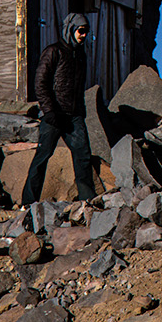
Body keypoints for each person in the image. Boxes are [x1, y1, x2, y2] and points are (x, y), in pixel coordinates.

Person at [21, 12, 98, 213]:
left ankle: (87, 201)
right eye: (81, 31)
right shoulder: (53, 52)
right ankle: (27, 203)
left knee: (83, 156)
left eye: (86, 32)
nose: (84, 35)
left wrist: (80, 111)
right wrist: (49, 111)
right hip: (54, 115)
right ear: (71, 30)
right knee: (43, 157)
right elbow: (40, 83)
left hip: (74, 116)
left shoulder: (80, 55)